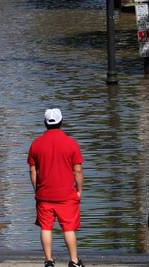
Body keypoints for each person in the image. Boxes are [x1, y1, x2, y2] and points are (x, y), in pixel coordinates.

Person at [27, 108, 85, 267]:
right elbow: (78, 169)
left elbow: (33, 171)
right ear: (61, 122)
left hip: (44, 194)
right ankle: (74, 261)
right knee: (68, 228)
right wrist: (79, 191)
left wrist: (36, 189)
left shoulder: (36, 144)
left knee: (46, 227)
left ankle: (48, 261)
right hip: (66, 194)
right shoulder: (71, 144)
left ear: (45, 123)